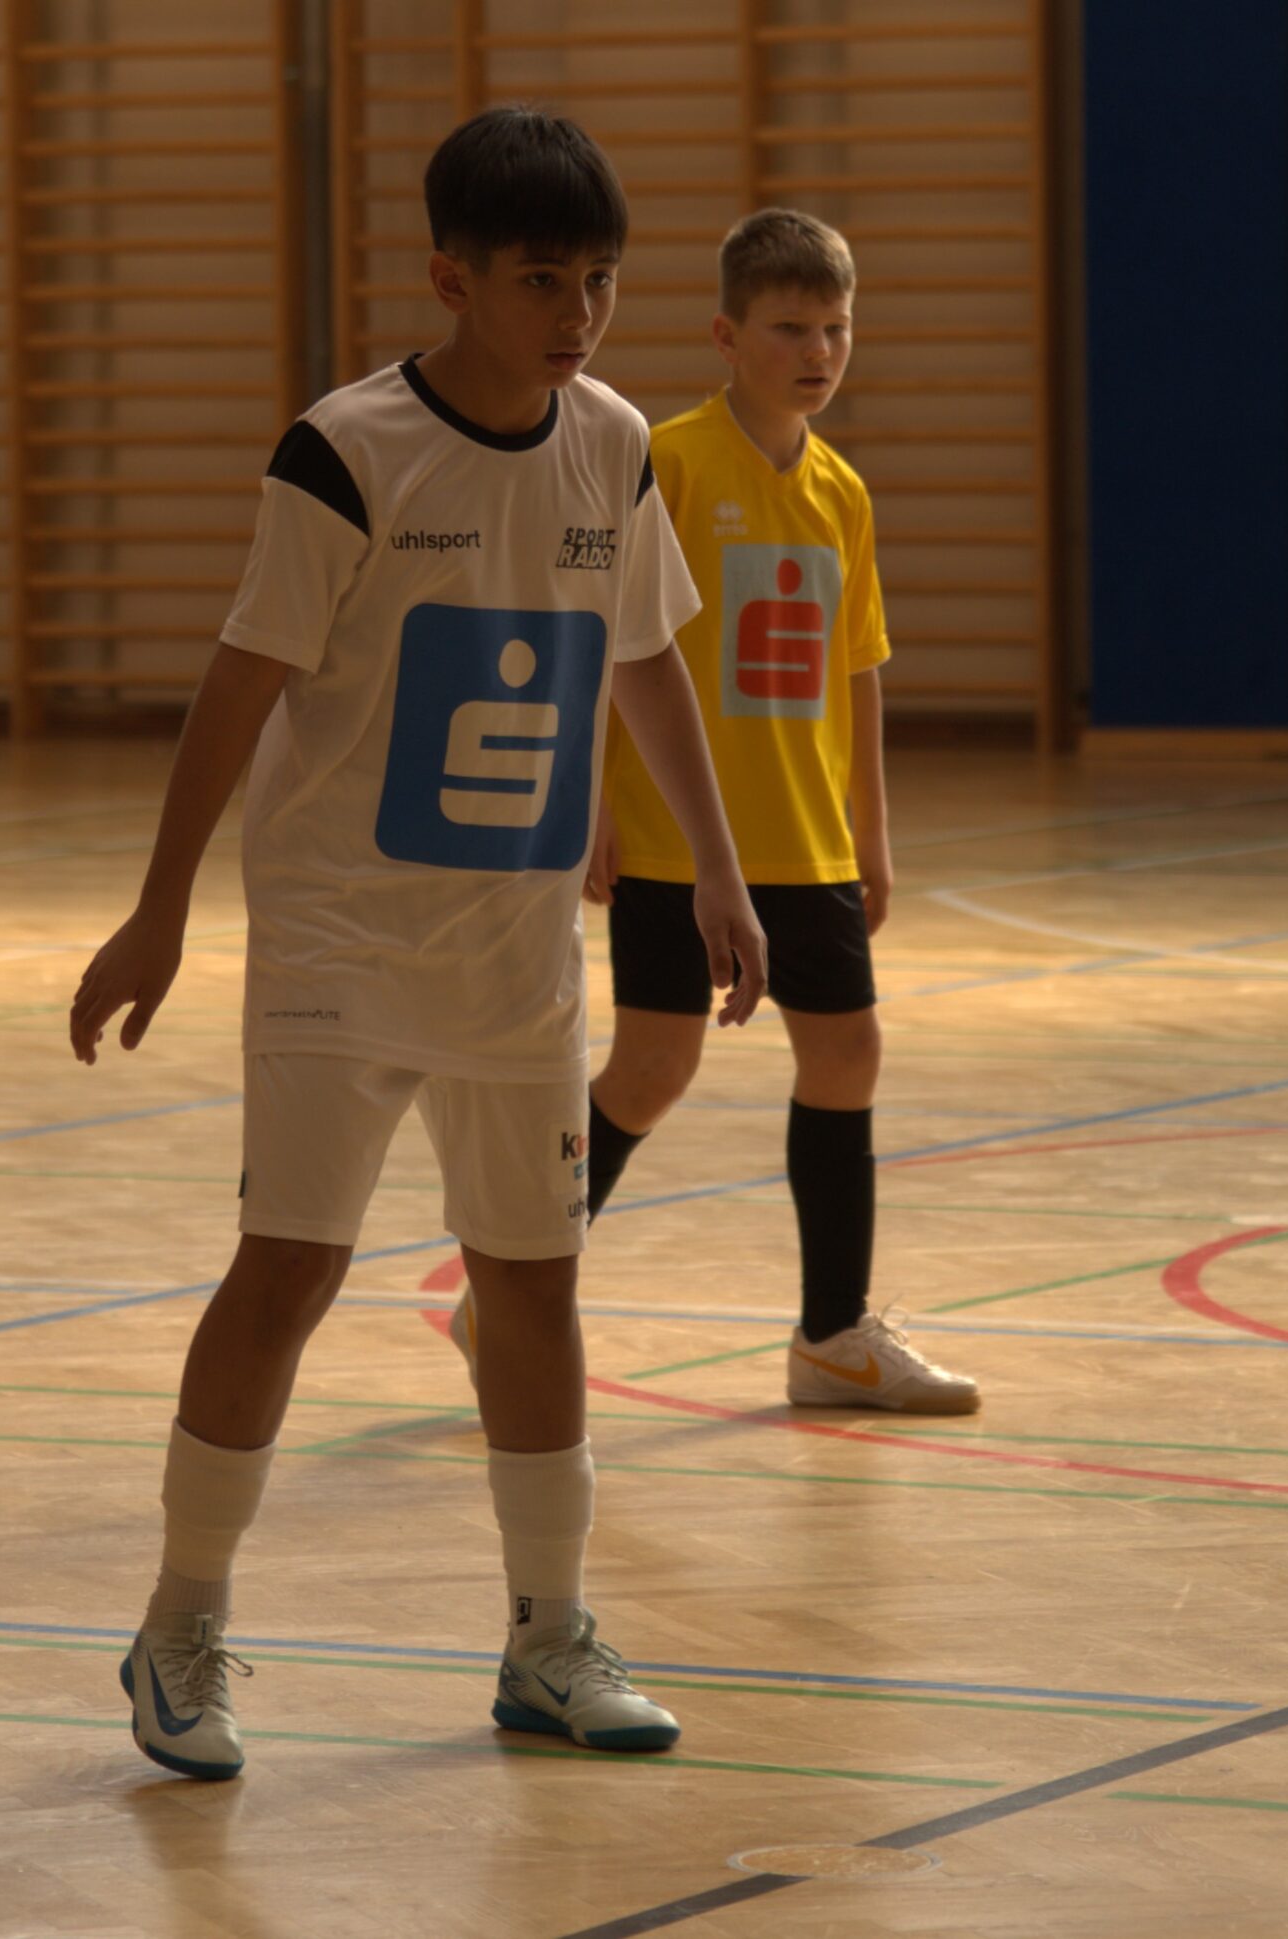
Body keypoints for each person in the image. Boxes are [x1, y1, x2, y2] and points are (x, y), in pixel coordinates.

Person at [67, 107, 768, 1782]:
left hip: (515, 952)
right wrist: (161, 907)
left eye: (600, 283)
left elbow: (648, 660)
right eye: (541, 281)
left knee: (534, 1280)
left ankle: (549, 1634)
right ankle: (179, 1622)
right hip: (339, 941)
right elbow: (241, 679)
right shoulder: (346, 450)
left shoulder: (614, 445)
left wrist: (716, 872)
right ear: (453, 279)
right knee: (290, 1268)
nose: (577, 315)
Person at [451, 209, 979, 1417]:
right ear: (726, 337)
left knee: (847, 1054)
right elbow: (601, 638)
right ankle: (505, 1291)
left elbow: (859, 668)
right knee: (651, 1067)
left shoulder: (842, 492)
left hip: (805, 840)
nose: (817, 351)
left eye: (835, 329)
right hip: (679, 841)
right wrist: (591, 797)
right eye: (789, 328)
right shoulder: (670, 464)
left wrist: (871, 832)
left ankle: (832, 1335)